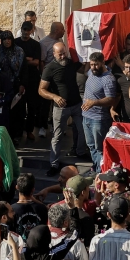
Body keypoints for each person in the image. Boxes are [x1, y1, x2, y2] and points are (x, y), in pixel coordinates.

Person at [39, 42, 87, 175]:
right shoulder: (50, 68)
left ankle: (80, 151)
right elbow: (41, 90)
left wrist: (87, 54)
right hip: (61, 108)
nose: (62, 56)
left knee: (83, 130)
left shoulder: (71, 63)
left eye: (64, 53)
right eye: (59, 54)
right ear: (53, 54)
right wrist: (54, 97)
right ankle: (54, 164)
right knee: (58, 135)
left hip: (77, 105)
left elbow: (84, 69)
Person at [81, 51, 118, 172]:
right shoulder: (92, 72)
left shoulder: (108, 79)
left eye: (96, 64)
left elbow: (111, 99)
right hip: (86, 116)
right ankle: (97, 168)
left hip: (99, 119)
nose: (93, 67)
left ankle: (101, 173)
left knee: (100, 148)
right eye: (91, 64)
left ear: (103, 62)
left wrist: (94, 102)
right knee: (91, 146)